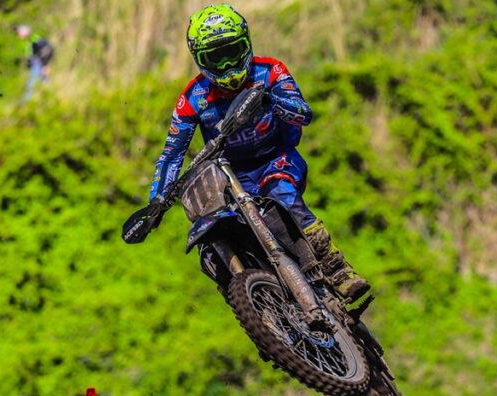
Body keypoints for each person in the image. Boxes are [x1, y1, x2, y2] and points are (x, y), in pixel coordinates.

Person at [147, 4, 370, 303]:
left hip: (275, 159)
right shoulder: (192, 99)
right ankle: (254, 308)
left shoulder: (270, 71)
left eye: (232, 52)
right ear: (199, 60)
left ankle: (337, 269)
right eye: (215, 58)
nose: (227, 65)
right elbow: (172, 155)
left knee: (282, 195)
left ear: (247, 43)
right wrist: (156, 202)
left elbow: (304, 113)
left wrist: (270, 98)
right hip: (229, 177)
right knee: (209, 245)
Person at [16, 25, 54, 103]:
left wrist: (45, 65)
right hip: (37, 64)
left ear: (24, 32)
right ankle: (46, 101)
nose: (18, 35)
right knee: (43, 82)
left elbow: (47, 50)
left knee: (31, 84)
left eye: (19, 33)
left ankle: (25, 102)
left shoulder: (34, 38)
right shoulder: (29, 39)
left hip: (39, 64)